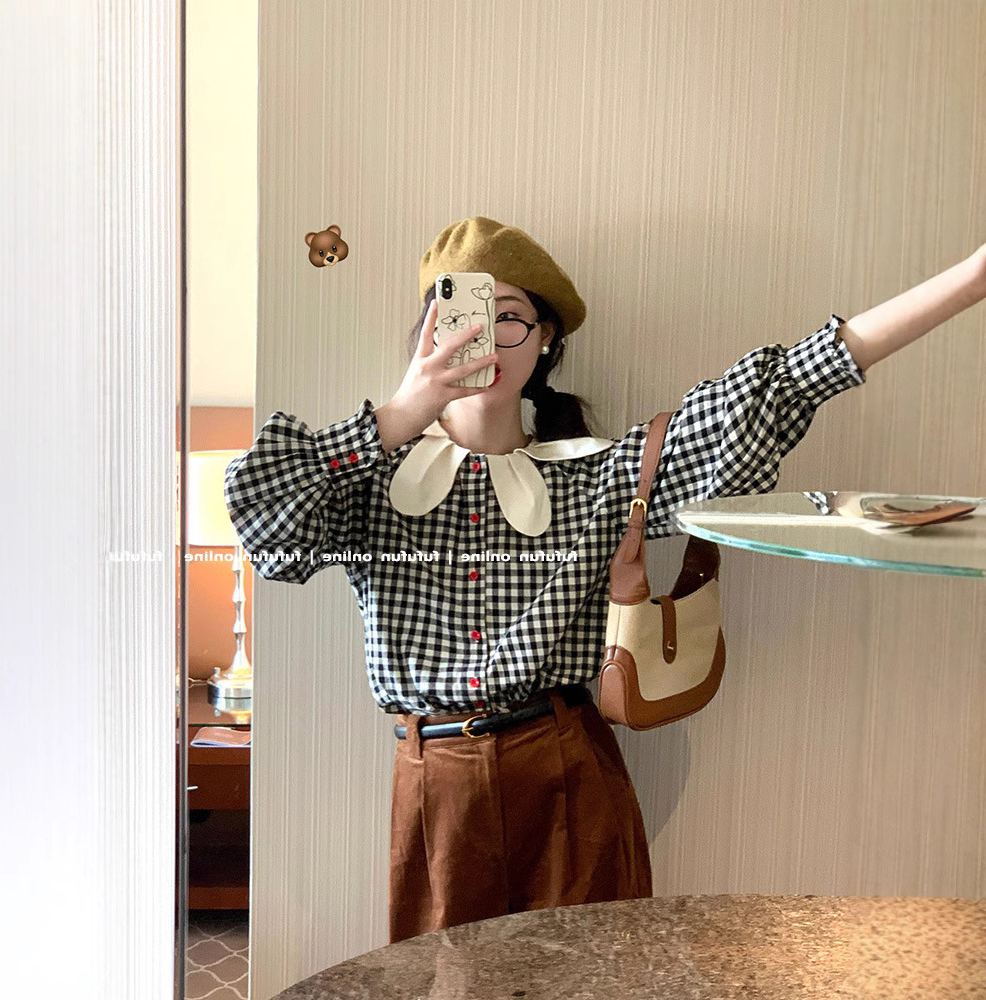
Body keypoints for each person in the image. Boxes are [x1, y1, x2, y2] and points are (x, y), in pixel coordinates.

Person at [223, 215, 986, 943]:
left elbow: (774, 392)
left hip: (568, 773)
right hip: (435, 791)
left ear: (547, 338)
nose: (484, 336)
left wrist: (971, 278)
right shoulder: (365, 480)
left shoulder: (600, 477)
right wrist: (404, 410)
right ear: (429, 331)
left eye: (511, 316)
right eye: (460, 315)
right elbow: (261, 516)